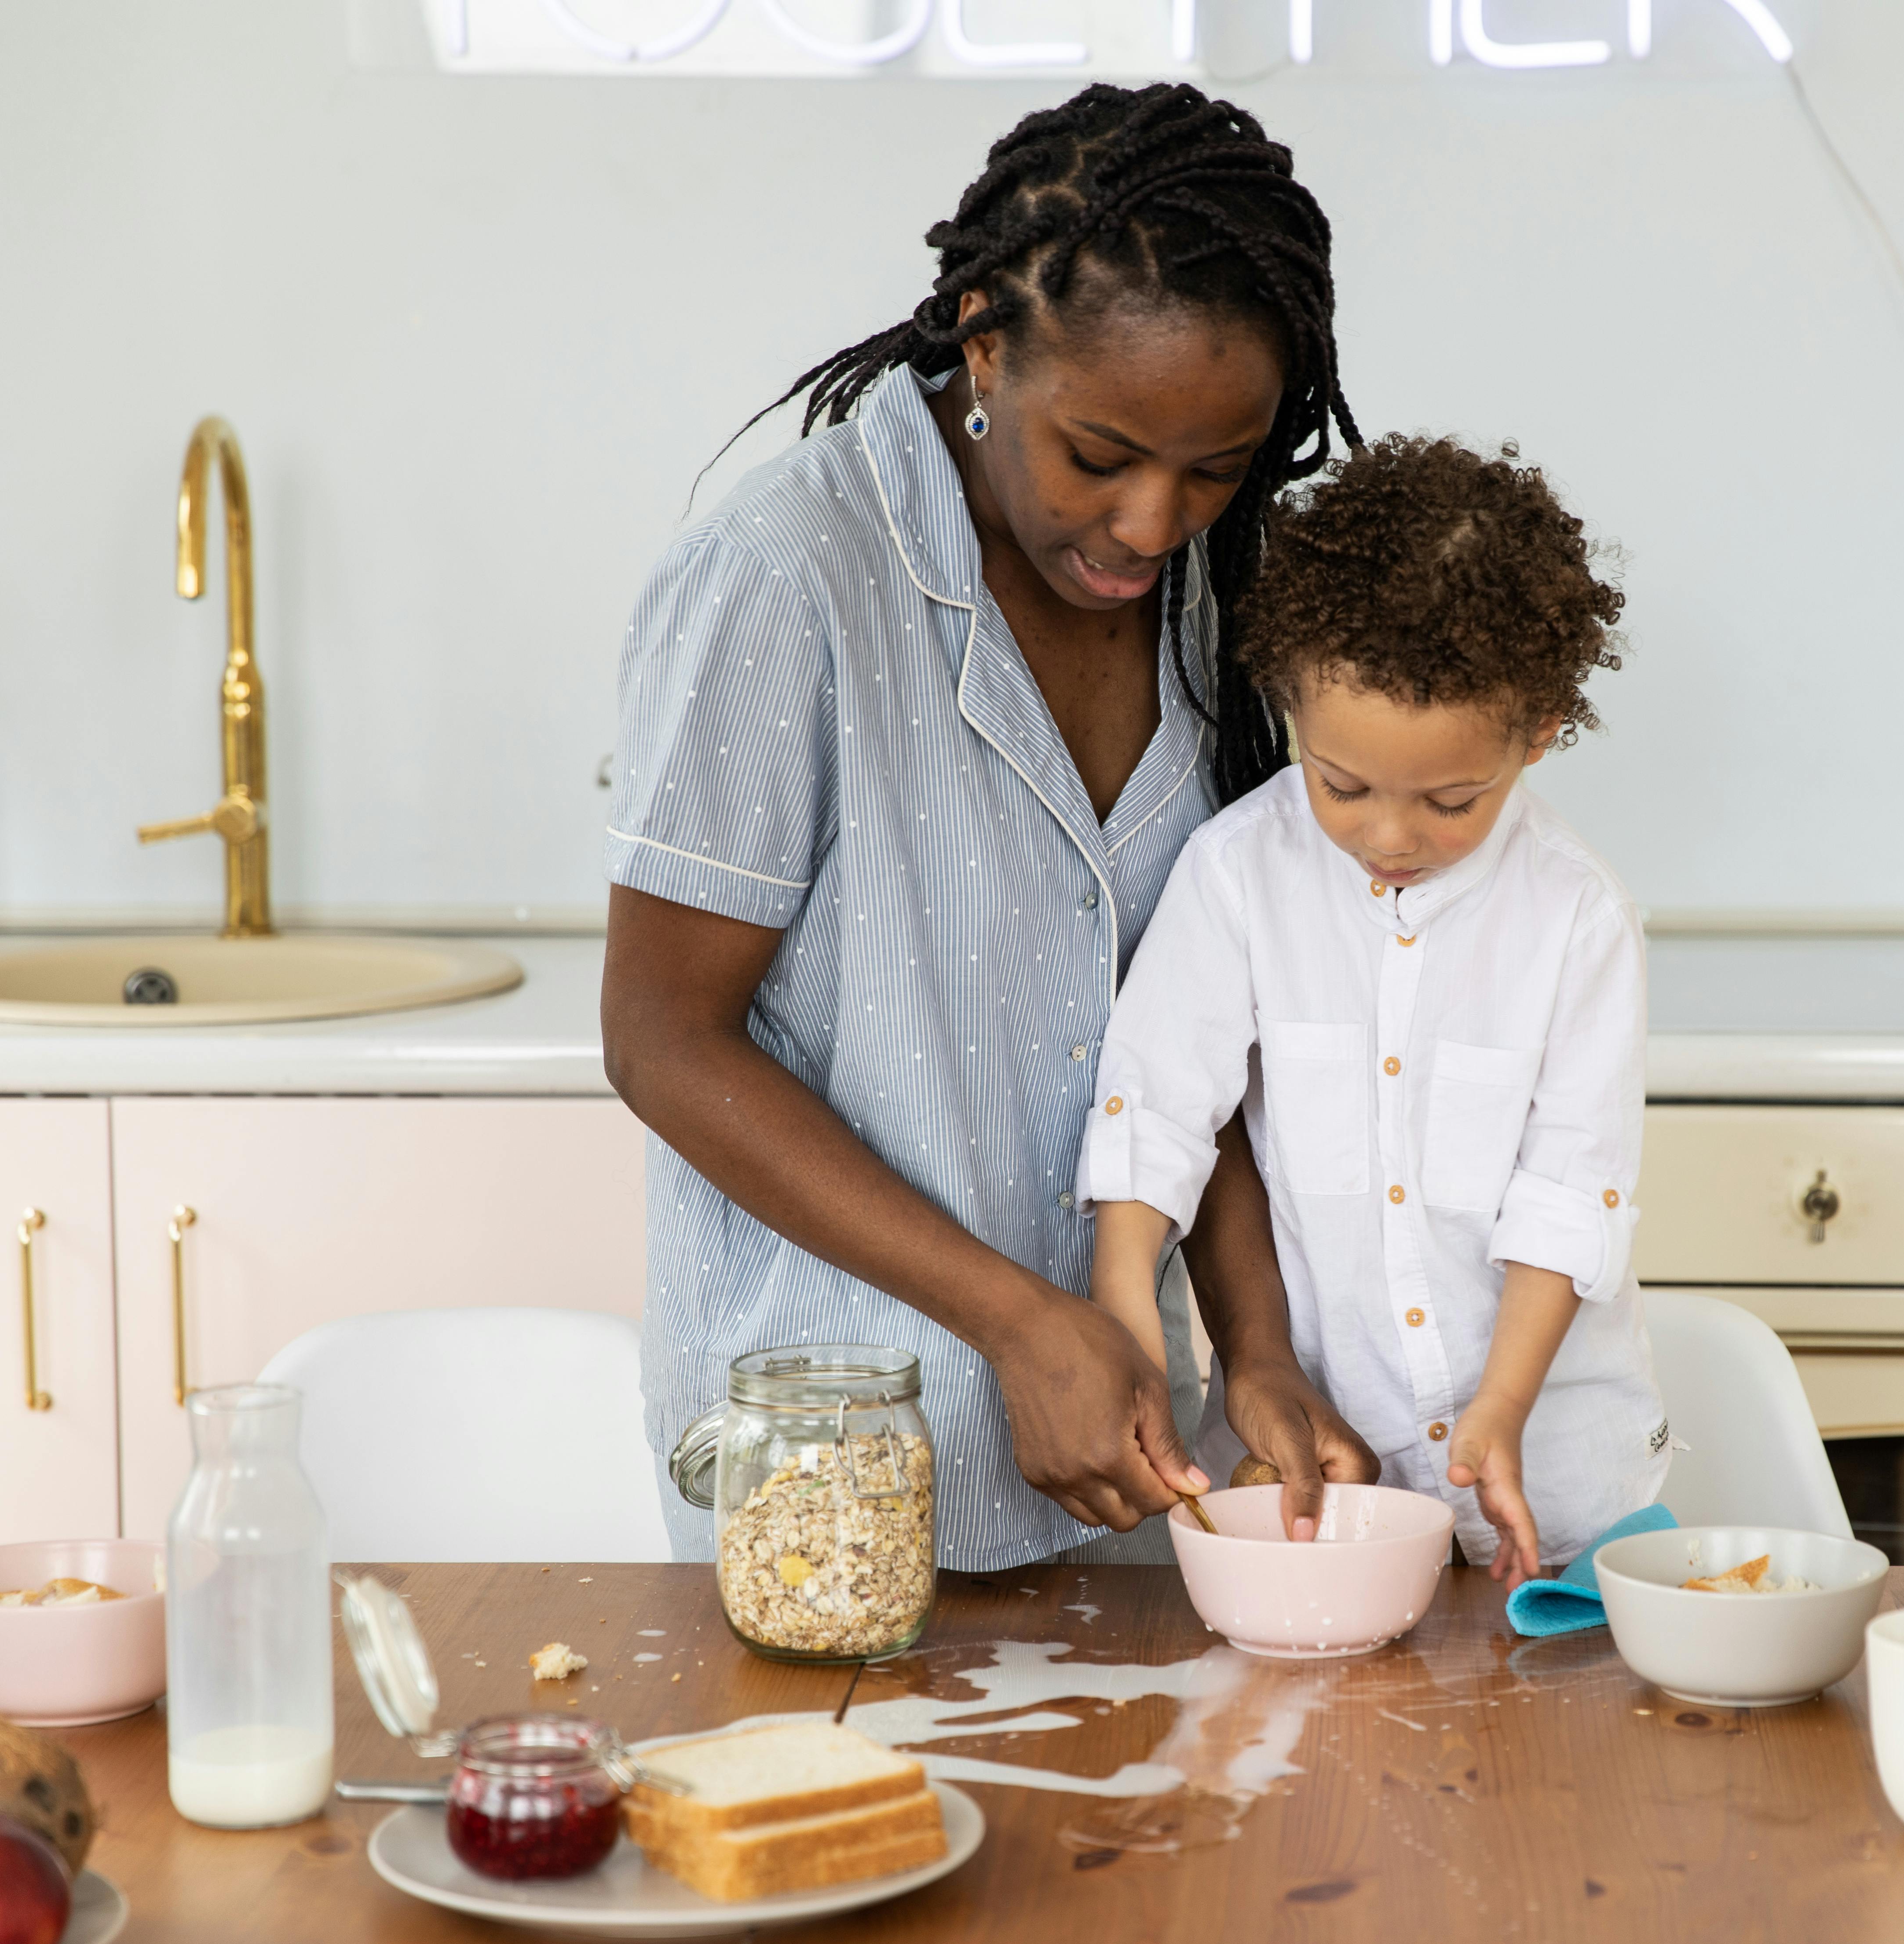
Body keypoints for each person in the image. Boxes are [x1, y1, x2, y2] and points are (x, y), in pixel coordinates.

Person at [603, 83, 1380, 1570]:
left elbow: (1190, 1023)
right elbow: (661, 1040)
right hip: (837, 1475)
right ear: (982, 343)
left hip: (1133, 1460)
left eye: (1214, 469)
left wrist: (1256, 1346)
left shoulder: (1208, 598)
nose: (1154, 523)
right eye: (1099, 454)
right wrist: (1020, 1320)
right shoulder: (788, 580)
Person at [1078, 436, 1665, 1584]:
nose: (1390, 839)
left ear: (1537, 735)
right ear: (1292, 707)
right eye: (1340, 784)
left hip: (1557, 1485)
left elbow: (1567, 1198)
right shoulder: (1237, 875)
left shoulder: (1578, 918)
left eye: (1452, 800)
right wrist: (1124, 1322)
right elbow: (1155, 1108)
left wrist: (1497, 1410)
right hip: (1327, 1489)